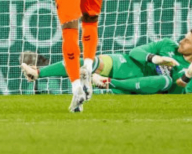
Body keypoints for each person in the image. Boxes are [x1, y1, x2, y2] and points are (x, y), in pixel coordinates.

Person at [21, 31, 192, 95]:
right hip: (130, 65)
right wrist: (156, 59)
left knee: (165, 80)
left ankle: (108, 83)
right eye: (185, 37)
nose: (182, 41)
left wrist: (187, 75)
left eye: (188, 41)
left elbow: (177, 89)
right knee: (91, 62)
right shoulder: (168, 44)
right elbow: (135, 52)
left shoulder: (188, 68)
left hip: (149, 88)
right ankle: (38, 73)